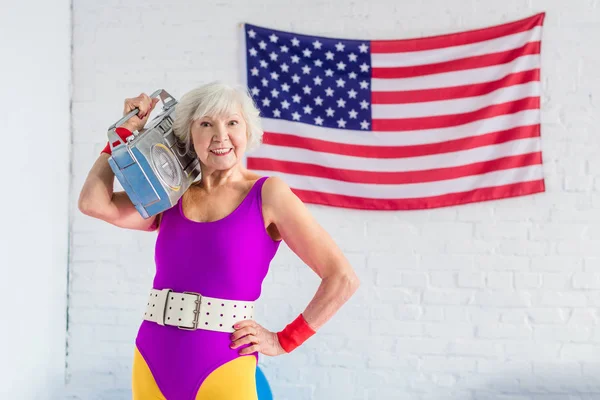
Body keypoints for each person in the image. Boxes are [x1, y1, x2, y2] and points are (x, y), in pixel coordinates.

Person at [78, 81, 360, 400]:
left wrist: (284, 340)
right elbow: (93, 203)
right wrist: (122, 136)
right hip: (151, 359)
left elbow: (342, 279)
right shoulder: (170, 195)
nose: (220, 135)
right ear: (188, 133)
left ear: (247, 131)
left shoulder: (269, 195)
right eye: (207, 123)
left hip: (223, 365)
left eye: (232, 123)